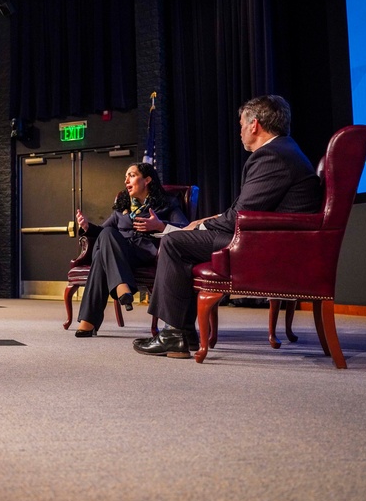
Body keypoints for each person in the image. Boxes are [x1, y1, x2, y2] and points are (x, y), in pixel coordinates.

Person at [133, 95, 322, 358]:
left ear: (254, 125)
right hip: (272, 240)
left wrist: (200, 227)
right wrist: (204, 222)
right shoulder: (285, 151)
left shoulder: (273, 156)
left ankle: (175, 334)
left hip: (267, 247)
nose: (241, 131)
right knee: (181, 241)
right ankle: (183, 333)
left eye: (242, 125)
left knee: (175, 242)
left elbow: (239, 217)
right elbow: (246, 211)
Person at [72, 163, 188, 337]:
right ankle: (120, 286)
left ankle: (89, 320)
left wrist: (160, 225)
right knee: (107, 236)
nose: (126, 180)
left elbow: (186, 227)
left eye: (132, 175)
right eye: (126, 176)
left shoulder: (167, 203)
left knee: (102, 254)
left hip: (144, 252)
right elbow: (103, 230)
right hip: (119, 251)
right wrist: (87, 227)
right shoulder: (122, 207)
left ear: (147, 180)